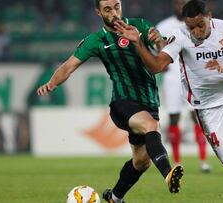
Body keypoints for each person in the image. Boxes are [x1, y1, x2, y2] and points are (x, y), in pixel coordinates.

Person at [114, 0, 223, 202]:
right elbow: (156, 67)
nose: (196, 32)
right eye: (191, 27)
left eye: (200, 26)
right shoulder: (180, 36)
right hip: (208, 108)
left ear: (209, 17)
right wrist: (138, 43)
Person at [36, 0, 184, 203]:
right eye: (107, 9)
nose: (114, 13)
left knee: (141, 162)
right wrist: (52, 84)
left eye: (116, 6)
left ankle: (115, 197)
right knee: (151, 125)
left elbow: (161, 46)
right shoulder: (96, 40)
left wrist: (158, 42)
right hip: (122, 102)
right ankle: (168, 173)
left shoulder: (139, 25)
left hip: (149, 101)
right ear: (98, 12)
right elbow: (69, 65)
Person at [156, 0, 210, 172]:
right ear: (173, 5)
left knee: (197, 116)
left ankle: (203, 161)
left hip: (192, 77)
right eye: (177, 3)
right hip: (172, 78)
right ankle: (177, 161)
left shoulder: (197, 24)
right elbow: (156, 50)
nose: (180, 6)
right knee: (174, 118)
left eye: (183, 3)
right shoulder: (163, 26)